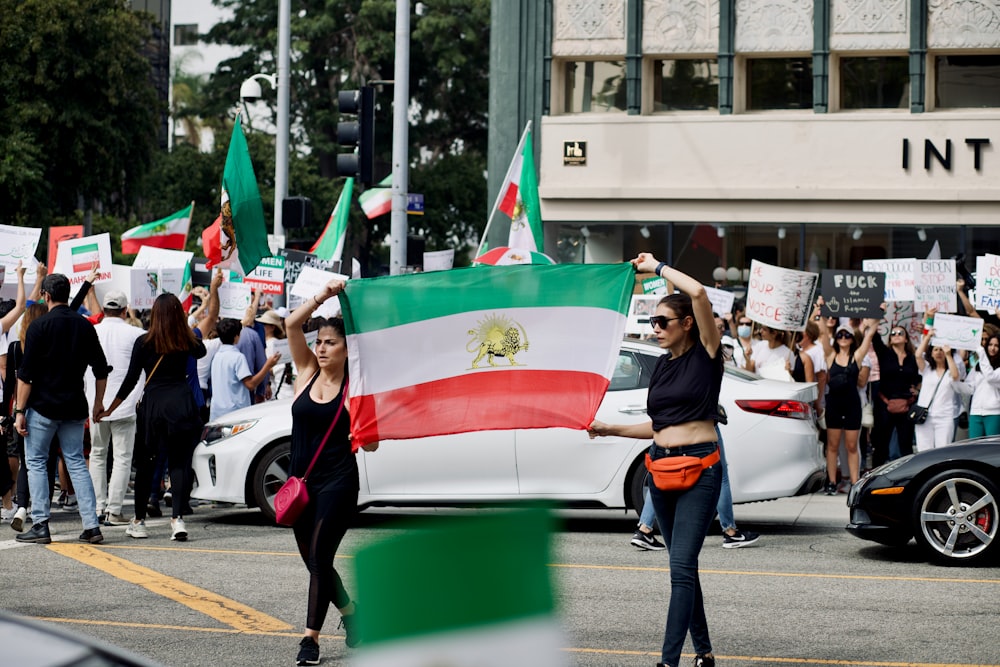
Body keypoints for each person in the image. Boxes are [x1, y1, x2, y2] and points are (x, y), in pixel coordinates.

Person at [590, 254, 723, 667]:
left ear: (687, 323)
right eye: (653, 322)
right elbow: (659, 425)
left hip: (700, 469)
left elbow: (698, 291)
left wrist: (657, 267)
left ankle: (668, 662)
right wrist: (610, 429)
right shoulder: (662, 367)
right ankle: (704, 652)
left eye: (663, 321)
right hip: (659, 471)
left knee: (681, 566)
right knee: (681, 566)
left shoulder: (707, 354)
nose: (656, 328)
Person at [286, 280, 379, 666]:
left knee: (321, 558)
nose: (321, 348)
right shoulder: (306, 369)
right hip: (299, 483)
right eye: (320, 341)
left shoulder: (358, 388)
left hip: (339, 482)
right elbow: (292, 324)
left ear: (347, 349)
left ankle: (310, 640)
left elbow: (371, 445)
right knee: (314, 562)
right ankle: (354, 615)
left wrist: (362, 433)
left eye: (330, 343)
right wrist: (322, 297)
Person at [100, 293, 206, 541]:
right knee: (180, 463)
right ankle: (177, 519)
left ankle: (139, 521)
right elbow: (200, 351)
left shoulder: (144, 342)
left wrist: (109, 408)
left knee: (147, 463)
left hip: (154, 405)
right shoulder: (187, 341)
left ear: (154, 315)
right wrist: (185, 325)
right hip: (181, 403)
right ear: (178, 316)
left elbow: (130, 380)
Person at [12, 273, 109, 545]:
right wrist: (99, 402)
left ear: (45, 295)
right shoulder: (84, 326)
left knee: (37, 463)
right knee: (76, 462)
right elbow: (101, 369)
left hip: (43, 406)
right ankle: (92, 525)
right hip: (75, 406)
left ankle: (41, 524)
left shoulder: (39, 326)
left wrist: (20, 411)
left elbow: (26, 375)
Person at [88, 290, 145, 526]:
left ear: (104, 309)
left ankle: (98, 507)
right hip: (126, 403)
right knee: (122, 458)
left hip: (95, 402)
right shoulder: (138, 334)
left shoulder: (92, 330)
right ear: (124, 310)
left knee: (97, 454)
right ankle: (114, 510)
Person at [817, 319, 877, 493]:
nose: (843, 337)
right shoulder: (830, 356)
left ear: (852, 338)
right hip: (834, 404)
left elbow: (869, 336)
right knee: (832, 445)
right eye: (840, 335)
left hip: (852, 405)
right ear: (836, 338)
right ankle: (832, 482)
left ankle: (854, 482)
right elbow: (823, 334)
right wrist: (821, 313)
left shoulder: (857, 357)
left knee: (852, 446)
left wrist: (876, 317)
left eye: (847, 335)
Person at [870, 316, 921, 465]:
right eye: (893, 333)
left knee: (906, 445)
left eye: (900, 333)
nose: (896, 335)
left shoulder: (913, 357)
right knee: (881, 444)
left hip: (907, 404)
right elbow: (874, 335)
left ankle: (908, 478)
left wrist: (917, 389)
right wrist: (879, 313)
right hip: (885, 404)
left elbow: (922, 375)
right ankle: (875, 477)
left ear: (906, 339)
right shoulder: (884, 354)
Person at [209, 318, 280, 422]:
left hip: (217, 412)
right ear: (237, 336)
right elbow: (250, 384)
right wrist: (267, 366)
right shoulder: (238, 357)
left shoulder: (217, 356)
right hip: (235, 413)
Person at [913, 327, 962, 451]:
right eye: (935, 349)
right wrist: (928, 337)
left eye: (941, 350)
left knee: (942, 451)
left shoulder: (950, 370)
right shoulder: (927, 369)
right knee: (924, 450)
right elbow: (918, 355)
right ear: (931, 353)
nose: (939, 352)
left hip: (945, 417)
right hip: (925, 416)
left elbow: (955, 376)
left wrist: (948, 354)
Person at [957, 332, 1000, 438]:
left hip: (994, 412)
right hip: (976, 411)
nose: (992, 348)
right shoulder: (979, 365)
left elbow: (991, 377)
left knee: (992, 448)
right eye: (990, 345)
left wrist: (981, 353)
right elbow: (970, 387)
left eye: (996, 346)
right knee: (974, 447)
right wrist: (954, 382)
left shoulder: (989, 363)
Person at [256, 309, 291, 399]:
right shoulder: (264, 342)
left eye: (265, 324)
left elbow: (277, 368)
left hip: (271, 388)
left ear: (272, 327)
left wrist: (264, 367)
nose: (262, 327)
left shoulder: (274, 344)